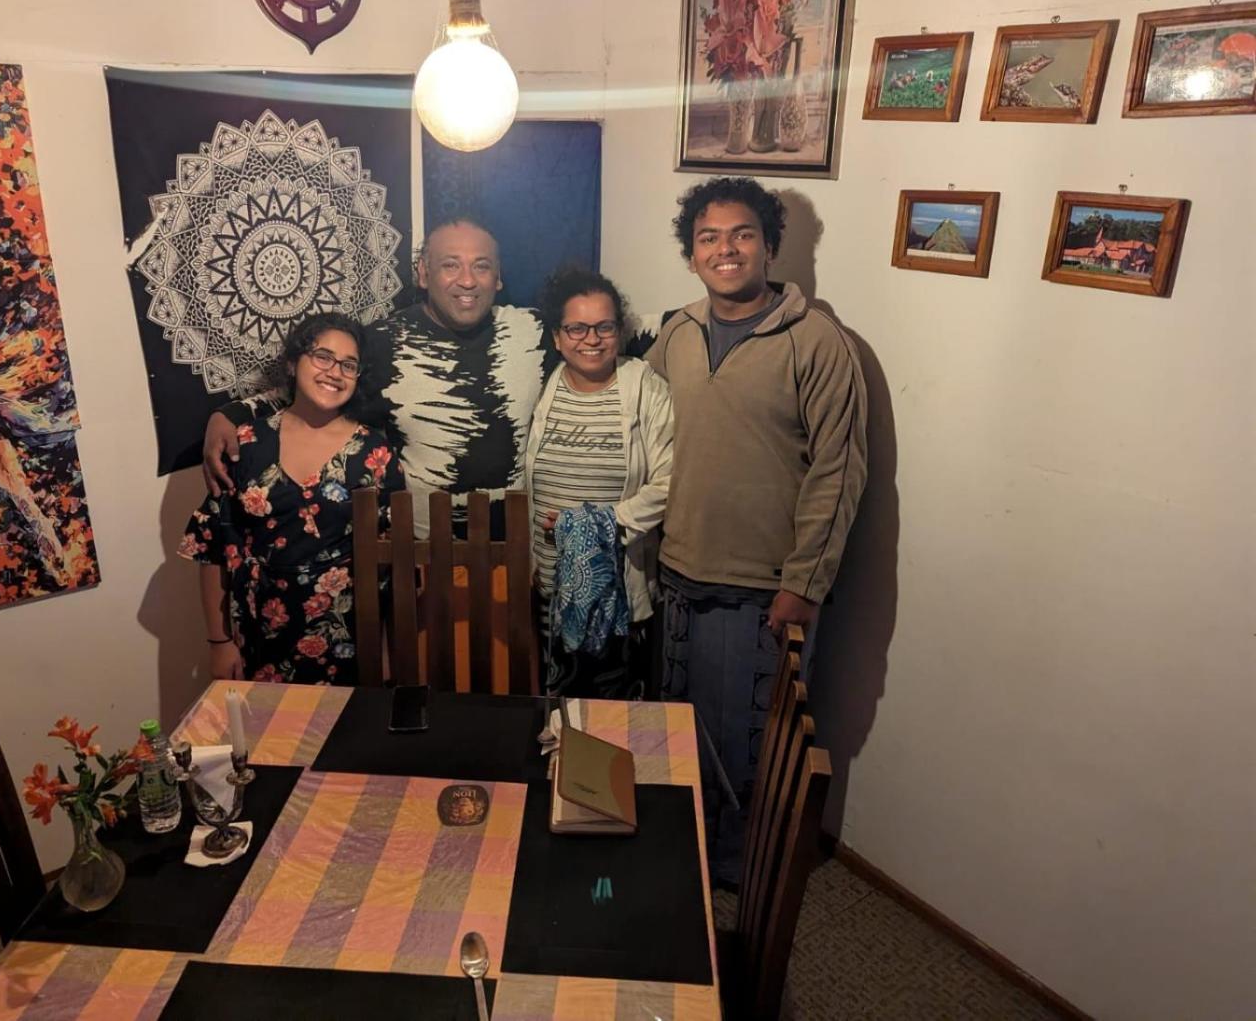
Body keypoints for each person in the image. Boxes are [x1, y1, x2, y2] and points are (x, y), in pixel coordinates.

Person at [646, 177, 868, 884]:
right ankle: (684, 856)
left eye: (742, 234)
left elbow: (838, 471)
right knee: (681, 732)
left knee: (748, 746)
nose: (726, 249)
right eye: (708, 237)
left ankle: (741, 884)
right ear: (691, 254)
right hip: (678, 573)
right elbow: (645, 434)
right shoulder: (677, 333)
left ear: (769, 246)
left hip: (762, 589)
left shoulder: (817, 342)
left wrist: (805, 584)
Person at [202, 216, 553, 538]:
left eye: (481, 266)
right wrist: (230, 415)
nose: (467, 280)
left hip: (517, 547)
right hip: (420, 551)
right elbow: (310, 388)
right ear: (423, 273)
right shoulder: (382, 343)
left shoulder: (535, 331)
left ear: (498, 276)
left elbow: (586, 360)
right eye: (450, 264)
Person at [179, 312, 404, 686]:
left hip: (347, 639)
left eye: (348, 365)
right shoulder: (246, 445)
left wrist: (386, 652)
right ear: (292, 362)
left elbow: (395, 566)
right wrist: (219, 642)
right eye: (322, 357)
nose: (335, 372)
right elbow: (212, 548)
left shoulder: (374, 454)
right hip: (259, 636)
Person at [524, 268, 674, 698]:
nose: (591, 339)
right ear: (557, 337)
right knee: (555, 711)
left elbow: (670, 481)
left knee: (615, 718)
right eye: (577, 328)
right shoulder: (544, 387)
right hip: (549, 587)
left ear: (619, 331)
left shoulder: (645, 388)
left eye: (604, 327)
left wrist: (600, 525)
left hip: (617, 596)